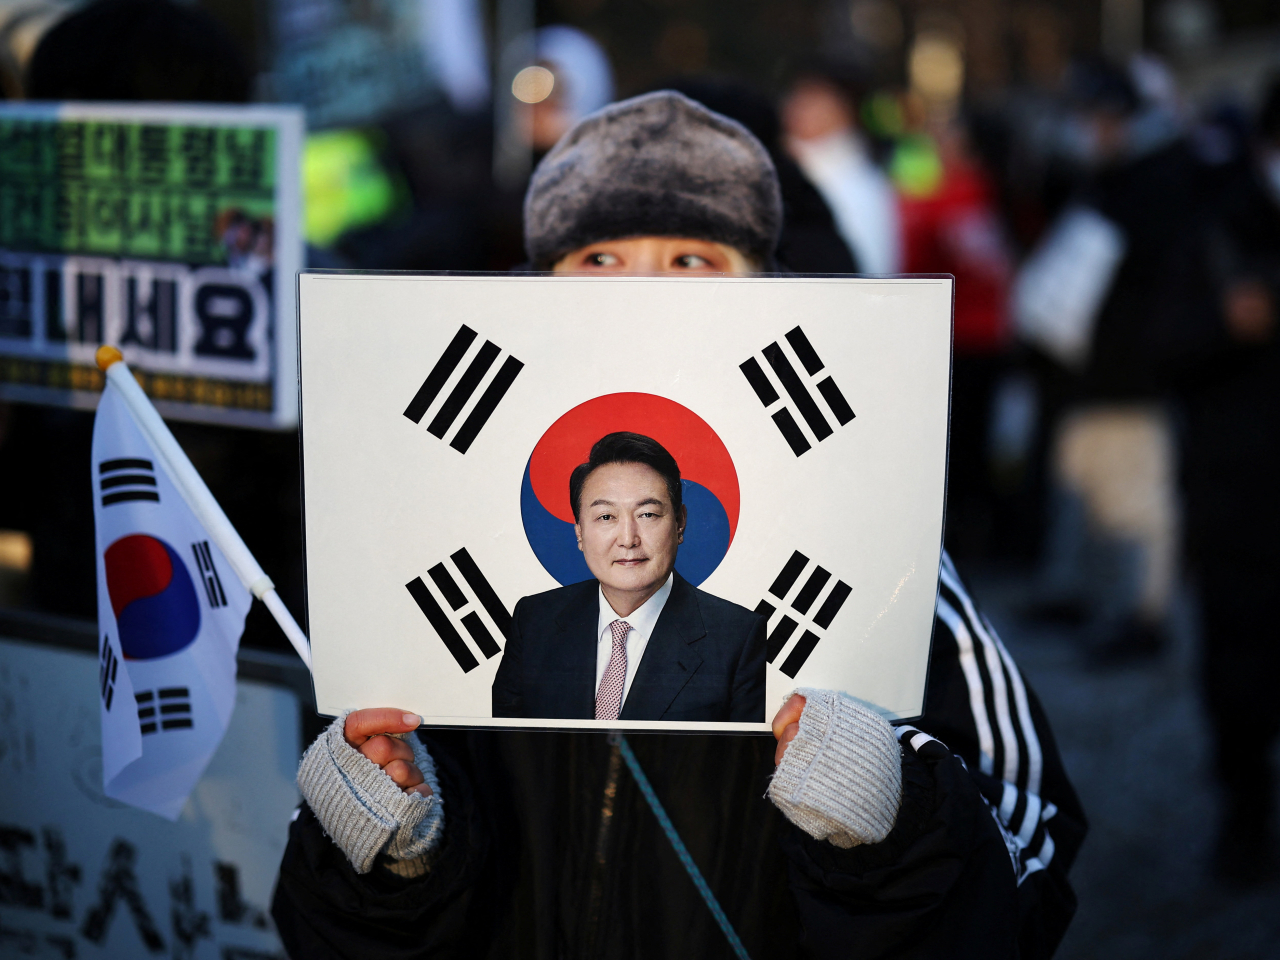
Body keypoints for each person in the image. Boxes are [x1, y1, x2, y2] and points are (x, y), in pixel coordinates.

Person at [273, 91, 1085, 958]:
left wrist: (889, 818)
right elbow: (340, 911)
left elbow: (1027, 861)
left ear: (763, 290)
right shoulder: (425, 532)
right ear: (535, 289)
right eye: (600, 258)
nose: (644, 289)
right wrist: (392, 848)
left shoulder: (873, 540)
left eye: (692, 259)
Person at [493, 432, 766, 722]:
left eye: (647, 514)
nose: (628, 539)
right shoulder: (534, 622)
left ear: (680, 523)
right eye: (606, 517)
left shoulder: (738, 638)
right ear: (579, 533)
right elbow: (503, 744)